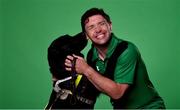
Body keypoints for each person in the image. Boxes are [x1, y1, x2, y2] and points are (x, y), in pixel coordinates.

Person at [65, 8, 166, 109]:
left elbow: (117, 93)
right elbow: (96, 85)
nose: (98, 30)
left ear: (110, 25)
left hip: (148, 107)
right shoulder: (92, 55)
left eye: (101, 23)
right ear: (86, 35)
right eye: (91, 27)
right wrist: (60, 78)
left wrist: (86, 69)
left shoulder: (127, 50)